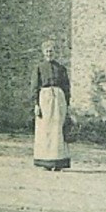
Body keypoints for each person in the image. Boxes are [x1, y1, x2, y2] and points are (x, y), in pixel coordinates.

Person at [32, 40, 71, 171]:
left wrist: (67, 103)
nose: (49, 54)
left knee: (57, 130)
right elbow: (35, 87)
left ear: (55, 53)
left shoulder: (61, 68)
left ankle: (58, 162)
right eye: (47, 51)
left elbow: (66, 87)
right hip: (45, 100)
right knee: (45, 130)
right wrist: (36, 104)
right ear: (43, 53)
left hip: (59, 100)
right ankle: (45, 162)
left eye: (51, 51)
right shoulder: (39, 68)